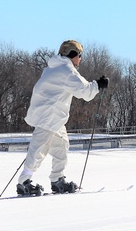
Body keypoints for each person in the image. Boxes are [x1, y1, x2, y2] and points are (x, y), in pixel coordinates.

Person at [16, 40, 108, 195]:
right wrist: (98, 85)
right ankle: (24, 182)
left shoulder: (53, 68)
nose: (80, 59)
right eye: (79, 55)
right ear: (72, 54)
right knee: (38, 149)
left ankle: (58, 180)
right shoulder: (66, 70)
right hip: (49, 116)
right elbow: (84, 92)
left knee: (61, 146)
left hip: (54, 117)